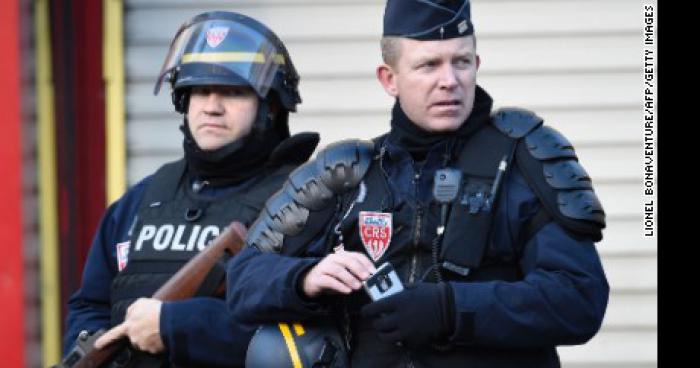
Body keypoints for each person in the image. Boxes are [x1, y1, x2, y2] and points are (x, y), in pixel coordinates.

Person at [226, 1, 609, 367]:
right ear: (389, 79)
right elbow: (243, 279)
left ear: (476, 65)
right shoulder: (345, 172)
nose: (449, 81)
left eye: (461, 62)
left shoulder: (525, 163)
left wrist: (450, 309)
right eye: (428, 65)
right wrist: (303, 279)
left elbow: (579, 298)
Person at [62, 11, 319, 367]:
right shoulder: (139, 203)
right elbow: (90, 305)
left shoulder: (305, 204)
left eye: (232, 92)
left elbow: (312, 341)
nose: (211, 107)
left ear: (270, 106)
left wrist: (178, 326)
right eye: (199, 91)